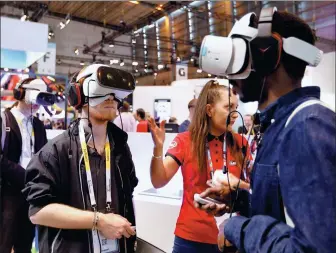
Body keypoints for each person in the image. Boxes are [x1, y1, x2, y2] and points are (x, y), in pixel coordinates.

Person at [196, 8, 336, 253]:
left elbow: (314, 248)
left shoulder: (305, 127)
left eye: (239, 57)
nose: (231, 77)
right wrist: (237, 200)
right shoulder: (282, 126)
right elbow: (287, 212)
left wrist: (237, 228)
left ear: (267, 55)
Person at [22, 64, 138, 253]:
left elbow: (127, 196)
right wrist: (98, 221)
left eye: (113, 92)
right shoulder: (55, 151)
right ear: (77, 95)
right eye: (101, 90)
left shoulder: (120, 149)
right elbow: (38, 212)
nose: (110, 97)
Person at [148, 80, 251, 253]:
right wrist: (158, 148)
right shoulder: (185, 141)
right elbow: (159, 181)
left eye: (236, 107)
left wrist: (237, 187)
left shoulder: (241, 143)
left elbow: (253, 189)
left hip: (229, 236)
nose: (235, 114)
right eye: (228, 107)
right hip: (191, 238)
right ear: (209, 110)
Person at [0, 78, 53, 253]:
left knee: (25, 243)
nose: (40, 103)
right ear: (21, 94)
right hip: (7, 193)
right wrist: (23, 175)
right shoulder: (3, 119)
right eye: (38, 96)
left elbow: (44, 156)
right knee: (4, 242)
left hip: (31, 194)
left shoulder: (38, 125)